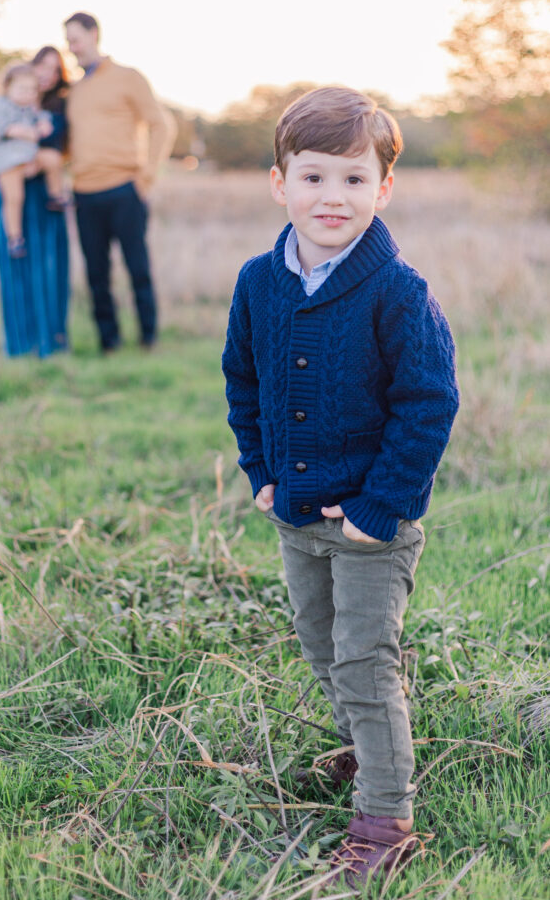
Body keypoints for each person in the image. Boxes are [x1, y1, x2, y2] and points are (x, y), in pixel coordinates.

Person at [222, 86, 459, 889]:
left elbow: (428, 404)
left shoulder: (396, 290)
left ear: (382, 189)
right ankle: (367, 746)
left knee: (364, 659)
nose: (333, 197)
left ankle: (385, 819)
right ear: (278, 182)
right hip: (293, 515)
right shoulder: (259, 280)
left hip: (370, 525)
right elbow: (243, 379)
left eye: (353, 180)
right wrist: (258, 470)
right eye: (314, 177)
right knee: (320, 646)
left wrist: (378, 507)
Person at [64, 11, 176, 352]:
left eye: (76, 38)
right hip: (84, 194)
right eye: (67, 40)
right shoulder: (75, 90)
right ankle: (108, 342)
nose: (71, 46)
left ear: (94, 34)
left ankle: (148, 338)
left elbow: (161, 125)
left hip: (124, 189)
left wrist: (146, 178)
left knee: (137, 269)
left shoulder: (128, 77)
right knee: (97, 276)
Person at [0, 48, 70, 358]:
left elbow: (59, 148)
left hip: (44, 197)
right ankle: (20, 343)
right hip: (14, 194)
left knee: (49, 268)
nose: (47, 73)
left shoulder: (57, 107)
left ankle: (51, 342)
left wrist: (33, 164)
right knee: (16, 266)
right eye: (42, 66)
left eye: (54, 69)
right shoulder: (7, 103)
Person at [0, 63, 69, 258]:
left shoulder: (29, 107)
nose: (27, 94)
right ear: (7, 87)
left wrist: (44, 123)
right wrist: (18, 131)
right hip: (8, 162)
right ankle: (15, 238)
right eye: (22, 89)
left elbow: (41, 118)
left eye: (31, 90)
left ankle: (56, 195)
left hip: (29, 156)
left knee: (54, 159)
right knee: (14, 198)